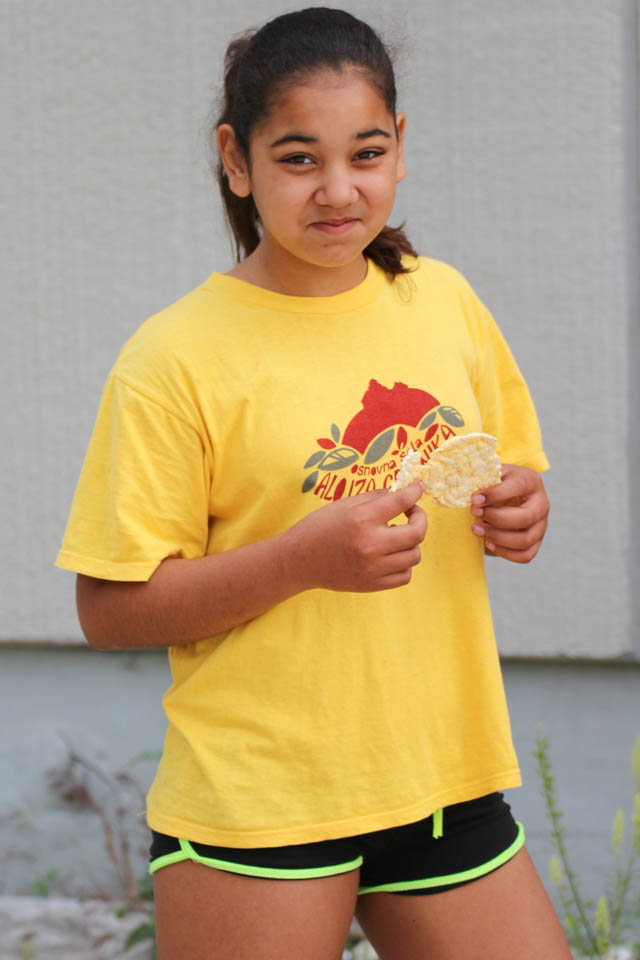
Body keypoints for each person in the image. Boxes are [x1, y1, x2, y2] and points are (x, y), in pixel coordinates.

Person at [56, 8, 571, 959]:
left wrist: (522, 508)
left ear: (400, 147)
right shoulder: (174, 358)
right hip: (260, 803)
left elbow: (516, 469)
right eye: (299, 160)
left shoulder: (443, 300)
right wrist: (300, 562)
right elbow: (110, 608)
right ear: (237, 160)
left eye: (366, 153)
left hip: (441, 777)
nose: (339, 190)